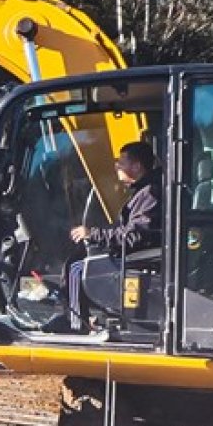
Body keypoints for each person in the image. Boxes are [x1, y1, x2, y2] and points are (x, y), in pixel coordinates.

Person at [65, 141, 161, 331]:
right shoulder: (143, 192)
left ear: (136, 166)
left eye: (121, 162)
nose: (116, 166)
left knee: (76, 268)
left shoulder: (150, 194)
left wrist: (93, 234)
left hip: (141, 257)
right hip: (136, 252)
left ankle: (76, 326)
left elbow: (134, 236)